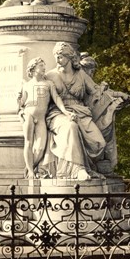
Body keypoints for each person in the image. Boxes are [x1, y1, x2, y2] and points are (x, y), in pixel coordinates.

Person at [42, 43, 107, 180]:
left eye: (60, 57)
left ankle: (87, 167)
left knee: (99, 143)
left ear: (69, 57)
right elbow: (39, 94)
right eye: (56, 57)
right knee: (70, 127)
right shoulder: (50, 76)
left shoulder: (81, 75)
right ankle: (77, 169)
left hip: (80, 112)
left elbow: (95, 91)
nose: (57, 60)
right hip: (58, 113)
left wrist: (113, 97)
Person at [18, 57, 74, 178]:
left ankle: (29, 168)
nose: (44, 68)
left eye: (44, 65)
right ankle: (31, 172)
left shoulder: (48, 84)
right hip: (29, 115)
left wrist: (65, 111)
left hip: (41, 118)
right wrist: (19, 102)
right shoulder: (26, 85)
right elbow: (21, 103)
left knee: (40, 147)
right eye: (41, 65)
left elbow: (57, 98)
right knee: (28, 143)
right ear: (33, 68)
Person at [80, 53, 130, 175]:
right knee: (99, 135)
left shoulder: (90, 84)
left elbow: (104, 92)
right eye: (90, 70)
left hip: (91, 116)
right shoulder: (79, 82)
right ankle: (97, 162)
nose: (91, 74)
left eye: (93, 71)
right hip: (83, 117)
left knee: (106, 130)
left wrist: (121, 95)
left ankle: (103, 162)